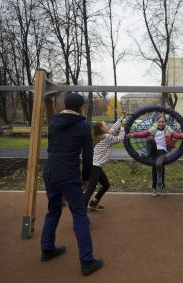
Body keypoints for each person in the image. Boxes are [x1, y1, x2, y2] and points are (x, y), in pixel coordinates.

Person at [40, 92, 103, 276]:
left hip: (50, 172)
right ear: (81, 107)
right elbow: (88, 156)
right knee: (79, 216)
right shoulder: (83, 126)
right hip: (68, 174)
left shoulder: (53, 122)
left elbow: (53, 147)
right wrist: (85, 177)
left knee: (53, 210)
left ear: (65, 105)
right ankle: (87, 261)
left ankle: (47, 249)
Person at [128, 114, 183, 196]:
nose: (161, 123)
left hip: (162, 151)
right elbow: (143, 134)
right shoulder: (153, 129)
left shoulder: (168, 129)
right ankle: (154, 187)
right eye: (159, 122)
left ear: (165, 122)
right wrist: (133, 135)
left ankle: (161, 186)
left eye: (163, 122)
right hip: (154, 150)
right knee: (150, 138)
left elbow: (175, 134)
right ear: (157, 122)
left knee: (159, 165)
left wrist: (181, 135)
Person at [85, 112, 126, 211]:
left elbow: (113, 129)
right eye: (105, 125)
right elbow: (119, 139)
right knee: (90, 189)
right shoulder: (107, 137)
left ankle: (94, 203)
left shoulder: (103, 136)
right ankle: (81, 210)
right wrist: (123, 127)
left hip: (96, 166)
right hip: (95, 167)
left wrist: (121, 118)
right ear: (101, 129)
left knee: (106, 185)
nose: (107, 126)